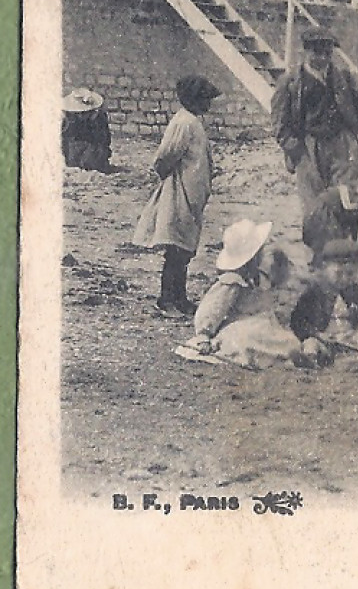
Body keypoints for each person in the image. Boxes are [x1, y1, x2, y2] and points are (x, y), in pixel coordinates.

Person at [271, 27, 358, 213]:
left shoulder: (344, 79)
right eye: (317, 53)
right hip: (308, 148)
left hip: (341, 144)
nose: (323, 58)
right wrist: (296, 151)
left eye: (327, 53)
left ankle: (340, 239)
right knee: (313, 205)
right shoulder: (290, 82)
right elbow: (279, 123)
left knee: (344, 200)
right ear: (305, 52)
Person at [133, 75, 221, 316]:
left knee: (185, 249)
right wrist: (170, 179)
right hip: (178, 191)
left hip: (191, 194)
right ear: (194, 100)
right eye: (205, 99)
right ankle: (167, 299)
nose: (208, 105)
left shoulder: (193, 122)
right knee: (176, 248)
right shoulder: (184, 123)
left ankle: (180, 298)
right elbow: (166, 156)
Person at [185, 220, 306, 369]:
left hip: (262, 324)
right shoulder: (232, 282)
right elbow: (212, 308)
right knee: (245, 341)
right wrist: (204, 334)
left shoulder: (258, 277)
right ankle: (262, 357)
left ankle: (284, 355)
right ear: (254, 256)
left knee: (286, 341)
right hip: (241, 326)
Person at [290, 238, 358, 355]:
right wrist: (317, 334)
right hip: (325, 341)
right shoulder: (314, 292)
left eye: (350, 274)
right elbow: (297, 322)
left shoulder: (355, 290)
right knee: (311, 344)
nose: (344, 279)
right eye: (338, 274)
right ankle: (311, 360)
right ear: (324, 268)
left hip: (353, 339)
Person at [61, 87, 112, 172]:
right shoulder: (68, 118)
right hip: (73, 150)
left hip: (93, 148)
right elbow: (64, 138)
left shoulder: (99, 117)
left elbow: (105, 139)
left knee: (91, 158)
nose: (81, 115)